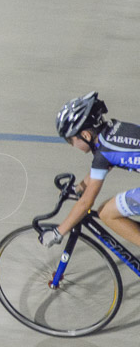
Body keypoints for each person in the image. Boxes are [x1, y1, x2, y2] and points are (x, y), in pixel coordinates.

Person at [43, 91, 140, 249]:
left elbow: (86, 202)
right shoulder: (112, 130)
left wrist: (58, 232)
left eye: (70, 140)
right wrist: (79, 187)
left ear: (86, 135)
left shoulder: (103, 153)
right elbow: (100, 169)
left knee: (107, 213)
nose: (71, 145)